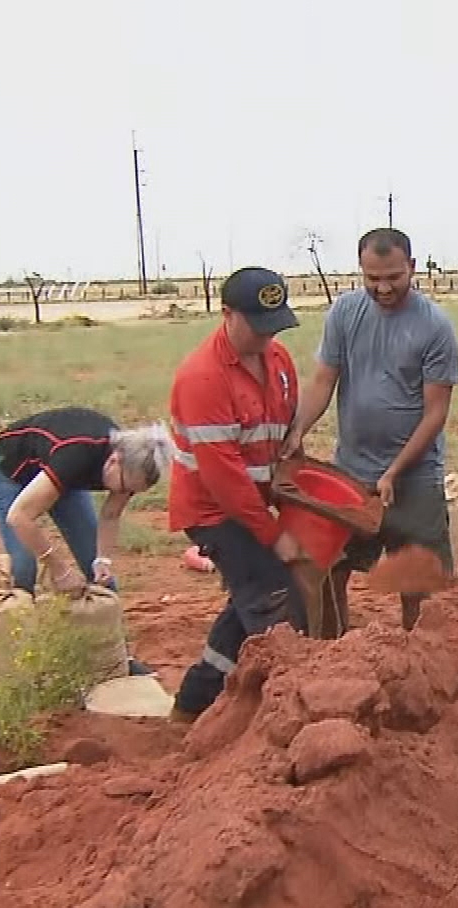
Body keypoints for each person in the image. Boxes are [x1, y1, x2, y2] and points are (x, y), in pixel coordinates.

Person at [285, 227, 458, 630]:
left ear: (412, 268)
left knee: (420, 581)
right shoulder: (345, 312)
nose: (382, 288)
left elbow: (435, 413)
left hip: (414, 479)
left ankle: (420, 659)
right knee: (330, 567)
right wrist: (297, 430)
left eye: (393, 278)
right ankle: (334, 653)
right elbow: (323, 382)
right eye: (373, 278)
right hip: (351, 473)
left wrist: (394, 471)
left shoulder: (435, 326)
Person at [166, 267, 308, 725]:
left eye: (275, 325)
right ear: (227, 315)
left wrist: (293, 467)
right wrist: (274, 535)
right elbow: (224, 479)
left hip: (255, 502)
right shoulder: (202, 378)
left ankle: (193, 702)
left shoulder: (279, 361)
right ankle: (291, 713)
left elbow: (285, 433)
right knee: (275, 603)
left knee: (249, 594)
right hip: (214, 510)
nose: (268, 336)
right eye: (258, 325)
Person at [0, 407, 171, 675]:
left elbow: (110, 514)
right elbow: (20, 517)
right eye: (123, 487)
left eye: (132, 491)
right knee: (24, 566)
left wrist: (103, 559)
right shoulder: (75, 456)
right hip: (12, 474)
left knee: (102, 577)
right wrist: (59, 569)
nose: (123, 494)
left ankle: (117, 659)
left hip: (63, 481)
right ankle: (21, 664)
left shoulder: (129, 466)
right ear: (114, 461)